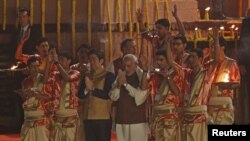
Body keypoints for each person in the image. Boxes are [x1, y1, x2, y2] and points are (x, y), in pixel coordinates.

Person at [182, 28, 220, 141]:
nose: (191, 59)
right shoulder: (187, 73)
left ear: (200, 58)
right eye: (190, 57)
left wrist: (216, 42)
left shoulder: (206, 72)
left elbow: (216, 60)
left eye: (193, 57)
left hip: (200, 116)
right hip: (187, 115)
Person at [78, 48, 116, 141]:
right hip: (87, 117)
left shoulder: (108, 75)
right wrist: (87, 89)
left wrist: (93, 89)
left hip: (102, 118)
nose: (91, 62)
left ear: (101, 61)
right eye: (90, 59)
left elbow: (108, 94)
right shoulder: (87, 76)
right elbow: (80, 95)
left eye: (94, 59)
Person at [109, 54, 149, 141]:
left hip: (138, 121)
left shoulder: (142, 76)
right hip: (121, 120)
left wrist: (126, 85)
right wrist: (119, 85)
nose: (126, 68)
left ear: (136, 64)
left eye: (129, 66)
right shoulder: (120, 76)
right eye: (124, 66)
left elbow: (140, 98)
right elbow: (113, 97)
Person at [150, 50, 185, 141]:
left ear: (168, 61)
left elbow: (177, 93)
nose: (159, 62)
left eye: (161, 60)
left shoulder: (175, 74)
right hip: (157, 115)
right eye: (157, 60)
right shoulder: (155, 75)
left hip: (169, 115)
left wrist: (167, 77)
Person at [17, 56, 51, 141]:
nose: (35, 69)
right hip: (28, 117)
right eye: (33, 66)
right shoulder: (25, 81)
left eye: (37, 66)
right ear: (28, 67)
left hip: (40, 117)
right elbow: (24, 99)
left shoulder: (44, 79)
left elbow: (49, 97)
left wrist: (36, 95)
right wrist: (23, 96)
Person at [48, 51, 80, 141]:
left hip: (70, 111)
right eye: (59, 59)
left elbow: (67, 78)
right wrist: (49, 62)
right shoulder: (55, 75)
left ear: (69, 61)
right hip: (58, 112)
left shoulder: (75, 73)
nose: (60, 61)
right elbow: (45, 80)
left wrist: (57, 63)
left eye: (62, 60)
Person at [208, 36, 241, 125]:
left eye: (213, 46)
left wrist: (226, 86)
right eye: (210, 46)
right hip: (209, 105)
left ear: (222, 47)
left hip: (224, 105)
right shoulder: (208, 64)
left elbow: (237, 83)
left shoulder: (231, 63)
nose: (211, 49)